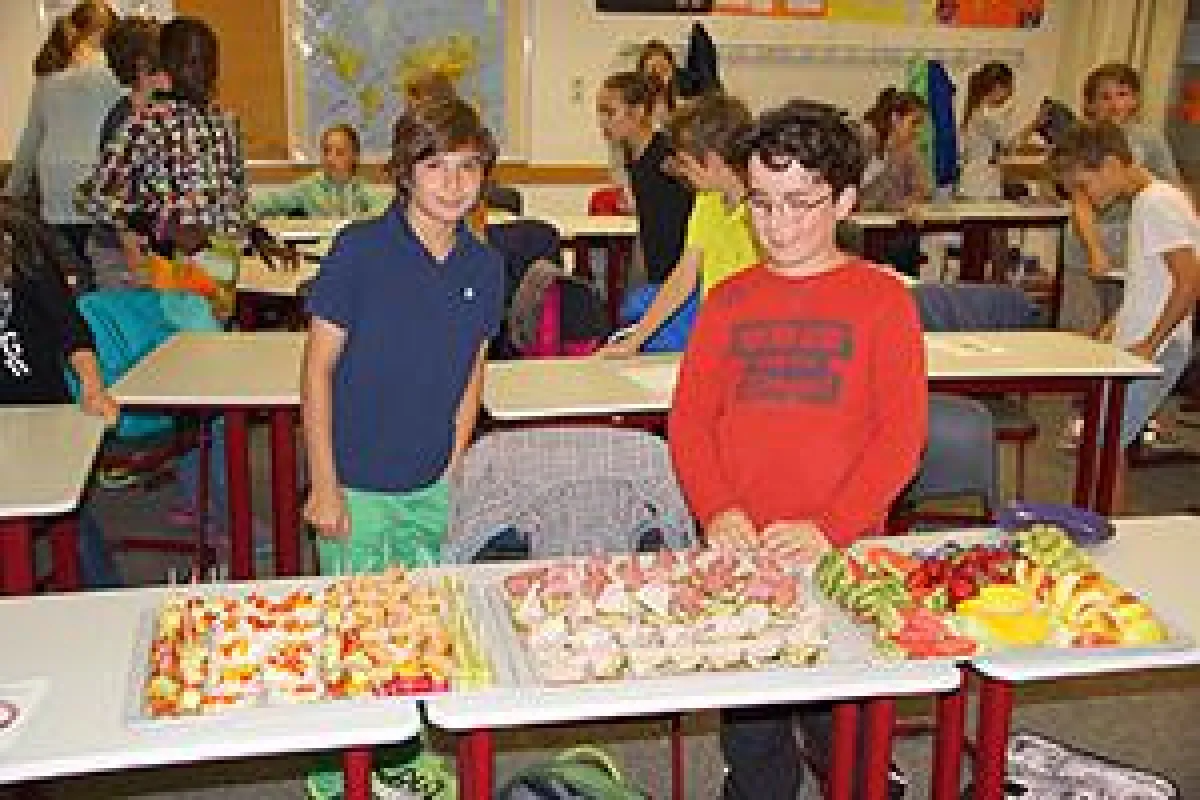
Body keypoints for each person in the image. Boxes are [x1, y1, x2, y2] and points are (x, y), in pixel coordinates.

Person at [669, 100, 928, 800]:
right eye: (762, 204)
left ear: (844, 199)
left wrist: (829, 528)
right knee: (753, 741)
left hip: (843, 556)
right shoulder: (727, 301)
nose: (778, 226)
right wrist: (717, 509)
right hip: (742, 552)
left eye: (800, 204)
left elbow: (902, 435)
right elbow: (690, 423)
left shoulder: (883, 301)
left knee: (847, 736)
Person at [300, 93, 503, 800]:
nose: (453, 182)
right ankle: (338, 771)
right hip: (355, 483)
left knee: (418, 628)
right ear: (405, 173)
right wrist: (323, 482)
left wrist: (453, 465)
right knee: (355, 633)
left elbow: (472, 371)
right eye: (435, 165)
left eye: (469, 166)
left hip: (429, 481)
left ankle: (398, 757)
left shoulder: (486, 265)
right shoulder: (360, 251)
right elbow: (317, 369)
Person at [1053, 121, 1200, 509]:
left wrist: (1150, 344)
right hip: (1141, 342)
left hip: (1158, 348)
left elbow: (1188, 282)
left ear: (1112, 165)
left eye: (1085, 186)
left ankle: (1104, 528)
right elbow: (1151, 281)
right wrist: (1117, 322)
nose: (1085, 197)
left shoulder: (1157, 204)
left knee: (1103, 445)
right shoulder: (1150, 201)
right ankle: (1104, 523)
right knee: (1106, 445)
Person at [0, 198, 121, 588]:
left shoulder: (25, 254)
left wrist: (92, 388)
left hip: (39, 413)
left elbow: (71, 330)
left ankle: (106, 600)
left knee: (69, 515)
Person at [598, 90, 755, 357]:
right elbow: (684, 276)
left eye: (686, 163)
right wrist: (634, 341)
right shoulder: (708, 200)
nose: (682, 172)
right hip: (715, 337)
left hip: (749, 344)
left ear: (714, 160)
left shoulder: (761, 215)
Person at [4, 0, 120, 291]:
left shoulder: (48, 80)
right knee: (106, 276)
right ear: (106, 34)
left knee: (72, 278)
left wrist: (10, 194)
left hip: (55, 192)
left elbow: (29, 141)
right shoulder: (112, 77)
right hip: (95, 190)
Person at [90, 14, 167, 289]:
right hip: (119, 257)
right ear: (143, 68)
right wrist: (141, 271)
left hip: (148, 252)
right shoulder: (123, 124)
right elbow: (120, 211)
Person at [596, 71, 694, 285]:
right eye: (600, 113)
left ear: (638, 111)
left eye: (610, 113)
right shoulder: (630, 155)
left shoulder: (669, 157)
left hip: (680, 274)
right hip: (656, 267)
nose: (602, 121)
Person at [857, 87, 931, 277]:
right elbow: (859, 196)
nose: (917, 131)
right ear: (895, 119)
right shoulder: (866, 142)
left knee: (907, 242)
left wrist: (911, 202)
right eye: (914, 123)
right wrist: (898, 204)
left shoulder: (909, 150)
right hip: (865, 231)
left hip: (896, 229)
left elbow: (923, 187)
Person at [252, 124, 386, 219]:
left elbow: (384, 211)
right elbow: (269, 202)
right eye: (326, 151)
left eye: (339, 152)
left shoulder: (362, 189)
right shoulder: (309, 188)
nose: (330, 158)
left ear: (355, 156)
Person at [958, 61, 1040, 200]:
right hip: (981, 184)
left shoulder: (978, 112)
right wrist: (1035, 124)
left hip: (976, 181)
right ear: (997, 87)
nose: (1010, 95)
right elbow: (1010, 145)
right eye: (1009, 89)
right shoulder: (986, 116)